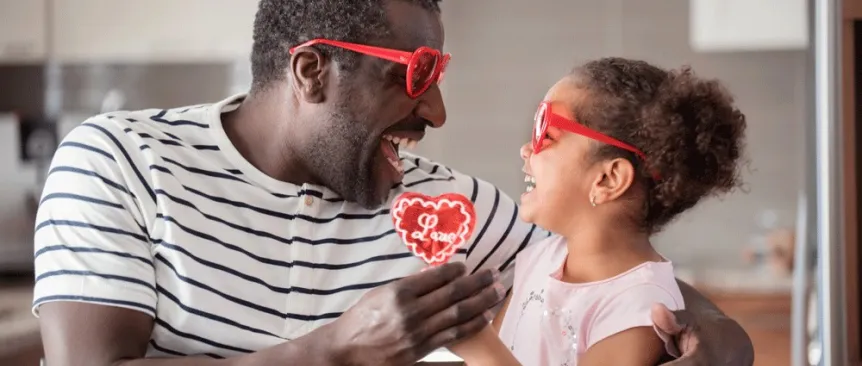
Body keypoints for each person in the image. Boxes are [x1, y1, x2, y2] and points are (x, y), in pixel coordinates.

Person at [32, 1, 753, 365]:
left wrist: (727, 341)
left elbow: (617, 266)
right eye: (414, 77)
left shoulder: (447, 209)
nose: (437, 111)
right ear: (312, 71)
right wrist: (332, 350)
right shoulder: (121, 162)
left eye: (439, 77)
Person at [447, 58, 748, 366]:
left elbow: (490, 355)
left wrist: (475, 342)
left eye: (545, 134)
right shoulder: (540, 259)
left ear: (608, 179)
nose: (526, 149)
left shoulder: (640, 308)